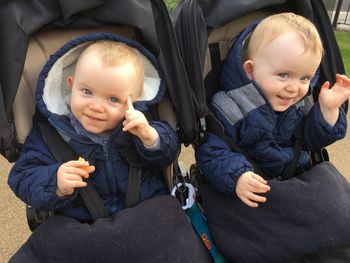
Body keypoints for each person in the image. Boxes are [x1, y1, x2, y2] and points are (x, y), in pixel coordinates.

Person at [8, 34, 178, 221]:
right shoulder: (51, 134)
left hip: (145, 211)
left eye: (113, 99)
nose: (96, 107)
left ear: (134, 101)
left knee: (174, 226)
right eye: (87, 91)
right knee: (48, 243)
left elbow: (167, 153)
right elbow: (22, 176)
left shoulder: (140, 126)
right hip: (81, 222)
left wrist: (151, 139)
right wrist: (55, 181)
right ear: (71, 86)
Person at [196, 12, 350, 208]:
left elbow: (312, 141)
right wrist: (237, 176)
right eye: (284, 75)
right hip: (250, 187)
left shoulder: (299, 103)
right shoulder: (229, 107)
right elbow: (210, 151)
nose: (294, 88)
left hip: (294, 178)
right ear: (250, 70)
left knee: (339, 202)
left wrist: (328, 110)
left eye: (304, 78)